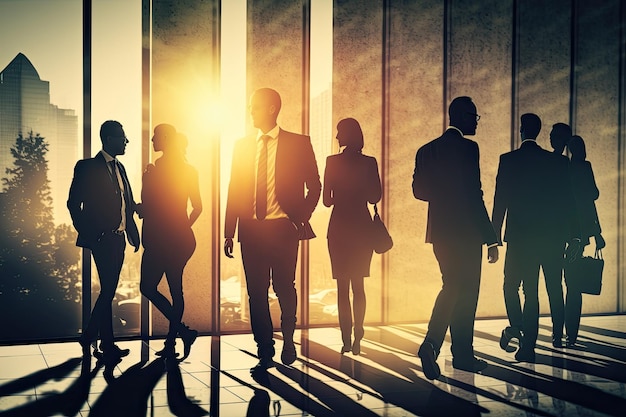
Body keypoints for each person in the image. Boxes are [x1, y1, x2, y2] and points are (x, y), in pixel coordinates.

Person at [224, 88, 321, 372]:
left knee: (284, 288)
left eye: (254, 106)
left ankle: (289, 339)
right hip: (252, 231)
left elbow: (314, 186)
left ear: (270, 108)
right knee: (256, 292)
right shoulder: (241, 146)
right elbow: (234, 189)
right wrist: (229, 231)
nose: (250, 111)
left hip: (283, 229)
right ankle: (264, 348)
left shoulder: (298, 143)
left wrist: (299, 219)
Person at [412, 96, 499, 379]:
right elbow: (475, 194)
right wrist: (491, 237)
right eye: (473, 115)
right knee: (465, 291)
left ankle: (444, 349)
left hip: (440, 233)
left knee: (451, 285)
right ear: (460, 116)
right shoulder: (468, 148)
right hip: (468, 232)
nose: (476, 121)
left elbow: (419, 192)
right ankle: (442, 347)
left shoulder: (426, 151)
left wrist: (442, 190)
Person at [492, 114, 579, 362]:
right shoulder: (555, 162)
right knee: (534, 291)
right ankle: (527, 345)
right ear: (539, 132)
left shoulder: (509, 160)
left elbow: (501, 200)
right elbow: (568, 201)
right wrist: (574, 236)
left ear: (521, 131)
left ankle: (518, 328)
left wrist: (493, 237)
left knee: (512, 286)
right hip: (549, 237)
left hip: (519, 237)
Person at [67, 120, 140, 361]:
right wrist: (89, 233)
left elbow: (126, 204)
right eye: (122, 137)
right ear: (109, 139)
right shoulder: (87, 167)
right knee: (108, 289)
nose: (126, 142)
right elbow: (72, 203)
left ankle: (104, 344)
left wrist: (134, 229)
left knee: (109, 290)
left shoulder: (121, 168)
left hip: (119, 239)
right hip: (101, 239)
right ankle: (91, 337)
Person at [138, 124, 202, 360]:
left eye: (155, 136)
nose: (153, 140)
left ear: (166, 138)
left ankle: (176, 337)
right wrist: (184, 225)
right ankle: (180, 334)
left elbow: (151, 207)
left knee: (152, 287)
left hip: (163, 238)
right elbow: (197, 207)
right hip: (178, 238)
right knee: (174, 288)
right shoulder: (186, 170)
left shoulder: (154, 171)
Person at [323, 118, 382, 355]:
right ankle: (359, 333)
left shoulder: (332, 162)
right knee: (359, 285)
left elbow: (327, 200)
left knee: (341, 287)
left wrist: (341, 192)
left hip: (338, 228)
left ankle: (345, 338)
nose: (336, 137)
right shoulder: (369, 163)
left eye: (339, 132)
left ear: (347, 135)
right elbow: (374, 197)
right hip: (361, 229)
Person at [565, 135, 605, 347]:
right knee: (574, 286)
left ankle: (560, 331)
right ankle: (571, 333)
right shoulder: (584, 167)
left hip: (563, 231)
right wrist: (597, 233)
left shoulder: (564, 168)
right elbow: (593, 198)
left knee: (564, 283)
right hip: (581, 232)